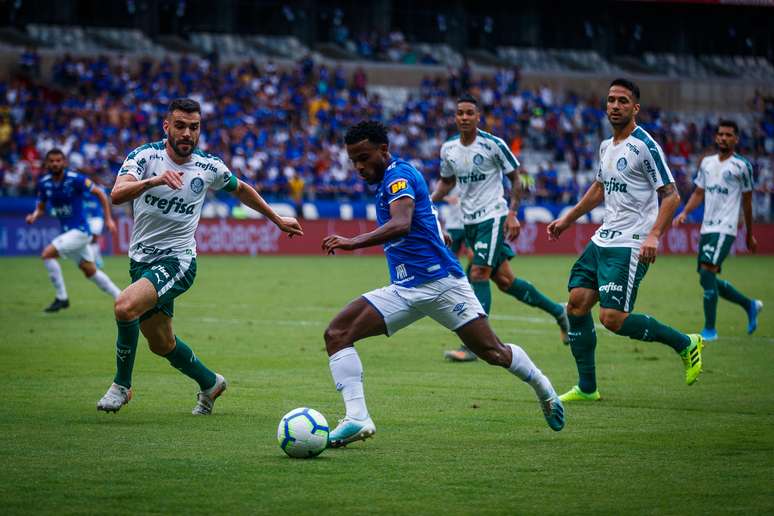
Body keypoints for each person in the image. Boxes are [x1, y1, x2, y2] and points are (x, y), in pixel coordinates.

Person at [321, 120, 565, 448]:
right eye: (353, 161)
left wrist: (352, 242)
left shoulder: (398, 176)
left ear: (383, 150)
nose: (359, 167)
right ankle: (357, 418)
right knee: (337, 334)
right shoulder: (390, 180)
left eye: (364, 157)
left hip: (442, 284)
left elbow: (402, 223)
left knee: (493, 352)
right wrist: (437, 230)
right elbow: (426, 213)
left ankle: (544, 389)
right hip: (405, 289)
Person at [96, 98, 303, 415]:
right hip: (141, 262)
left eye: (194, 127)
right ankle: (210, 383)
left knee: (125, 307)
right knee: (161, 343)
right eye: (180, 126)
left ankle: (121, 387)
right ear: (167, 126)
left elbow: (241, 188)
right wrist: (153, 181)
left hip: (178, 262)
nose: (187, 133)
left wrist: (276, 218)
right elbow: (117, 193)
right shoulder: (144, 157)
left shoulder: (209, 167)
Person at [547, 79, 704, 402]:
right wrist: (568, 218)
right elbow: (599, 189)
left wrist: (655, 235)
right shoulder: (607, 146)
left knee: (612, 319)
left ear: (635, 108)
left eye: (623, 101)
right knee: (576, 305)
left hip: (632, 242)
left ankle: (685, 343)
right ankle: (588, 388)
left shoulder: (644, 145)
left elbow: (671, 195)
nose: (615, 105)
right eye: (611, 100)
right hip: (604, 237)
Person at [431, 94, 569, 362]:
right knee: (506, 281)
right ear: (455, 117)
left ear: (478, 117)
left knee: (478, 273)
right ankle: (559, 312)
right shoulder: (448, 149)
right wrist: (428, 199)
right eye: (460, 113)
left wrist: (513, 213)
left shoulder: (494, 145)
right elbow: (446, 182)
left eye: (470, 113)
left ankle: (474, 345)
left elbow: (517, 179)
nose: (464, 117)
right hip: (469, 220)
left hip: (493, 216)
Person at [673, 120, 763, 340]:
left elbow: (748, 202)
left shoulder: (742, 166)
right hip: (707, 227)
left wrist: (749, 233)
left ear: (736, 139)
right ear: (715, 137)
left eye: (729, 135)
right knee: (707, 278)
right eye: (720, 134)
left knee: (707, 271)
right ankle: (749, 305)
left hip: (726, 227)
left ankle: (710, 330)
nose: (723, 138)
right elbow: (698, 193)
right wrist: (685, 212)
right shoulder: (707, 163)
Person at [26, 149, 121, 312]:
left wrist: (108, 219)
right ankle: (121, 297)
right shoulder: (44, 183)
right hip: (68, 232)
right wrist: (34, 215)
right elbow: (41, 208)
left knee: (47, 254)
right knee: (90, 271)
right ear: (47, 163)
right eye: (52, 161)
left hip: (81, 231)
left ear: (64, 163)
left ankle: (61, 298)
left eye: (58, 160)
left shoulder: (75, 179)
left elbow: (100, 194)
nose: (55, 163)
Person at [83, 182, 109, 268]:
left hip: (97, 218)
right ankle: (97, 259)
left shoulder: (100, 189)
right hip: (86, 218)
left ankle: (93, 261)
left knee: (93, 238)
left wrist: (107, 218)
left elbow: (105, 198)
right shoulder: (82, 187)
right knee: (89, 240)